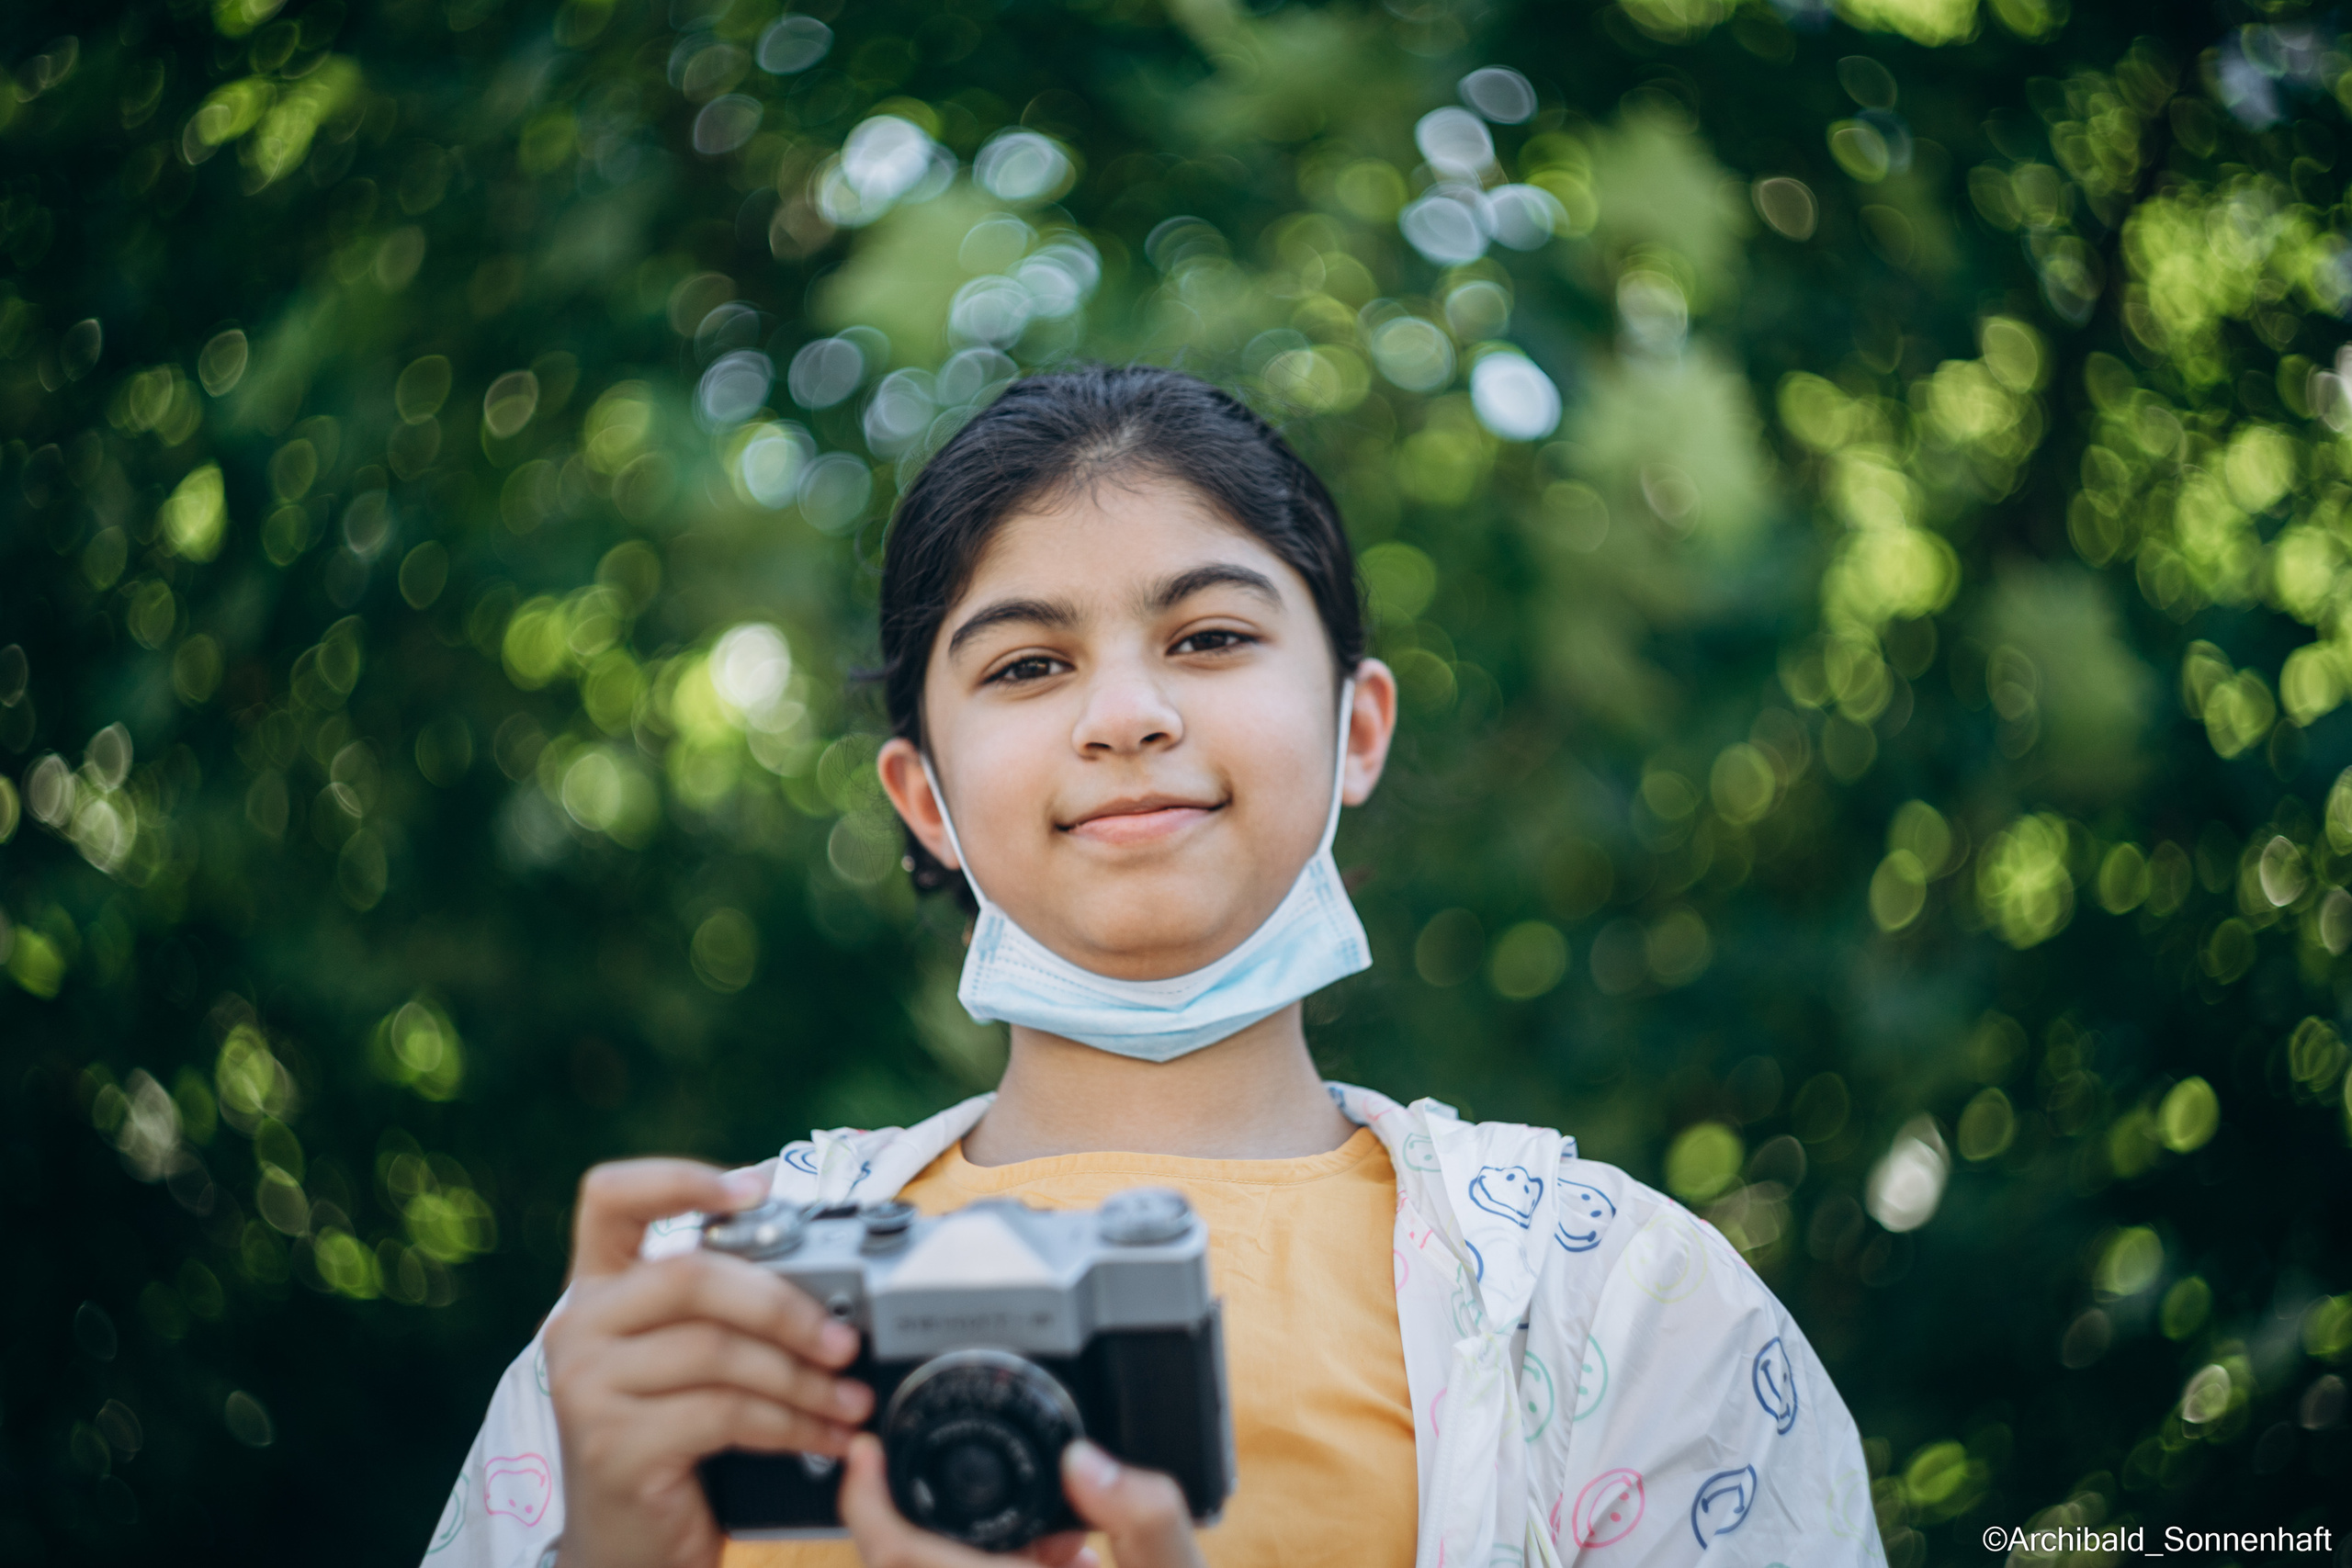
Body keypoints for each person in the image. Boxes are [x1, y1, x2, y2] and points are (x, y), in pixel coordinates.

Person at [425, 366, 1883, 1568]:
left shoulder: (1620, 1301)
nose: (1124, 715)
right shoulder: (689, 1322)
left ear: (1359, 728)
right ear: (924, 798)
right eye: (1026, 665)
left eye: (1210, 636)